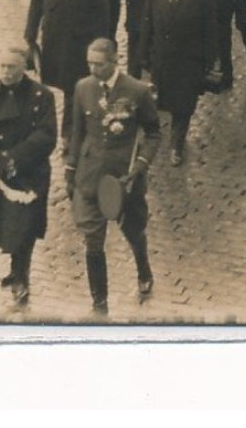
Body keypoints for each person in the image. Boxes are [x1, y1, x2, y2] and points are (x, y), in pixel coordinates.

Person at [65, 39, 162, 314]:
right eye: (90, 63)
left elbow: (154, 133)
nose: (94, 69)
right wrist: (71, 169)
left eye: (100, 64)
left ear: (115, 60)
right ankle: (100, 303)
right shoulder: (83, 88)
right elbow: (77, 133)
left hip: (124, 179)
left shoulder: (138, 91)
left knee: (133, 229)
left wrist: (139, 167)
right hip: (90, 177)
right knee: (92, 240)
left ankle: (143, 269)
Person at [0, 46, 57, 304]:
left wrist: (15, 158)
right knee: (7, 224)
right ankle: (14, 269)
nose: (5, 72)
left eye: (11, 67)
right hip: (1, 175)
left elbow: (46, 135)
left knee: (25, 227)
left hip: (30, 172)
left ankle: (22, 276)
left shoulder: (41, 96)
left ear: (24, 68)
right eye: (2, 67)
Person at [133, 0, 216, 167]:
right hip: (161, 61)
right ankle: (150, 141)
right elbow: (147, 26)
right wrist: (143, 56)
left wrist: (207, 62)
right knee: (158, 103)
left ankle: (176, 145)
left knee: (183, 106)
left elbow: (210, 32)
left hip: (188, 62)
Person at [24, 0, 111, 134]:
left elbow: (102, 11)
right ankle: (72, 129)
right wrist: (30, 33)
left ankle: (70, 133)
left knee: (74, 87)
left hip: (79, 42)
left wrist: (99, 44)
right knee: (63, 86)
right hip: (54, 39)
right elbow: (36, 2)